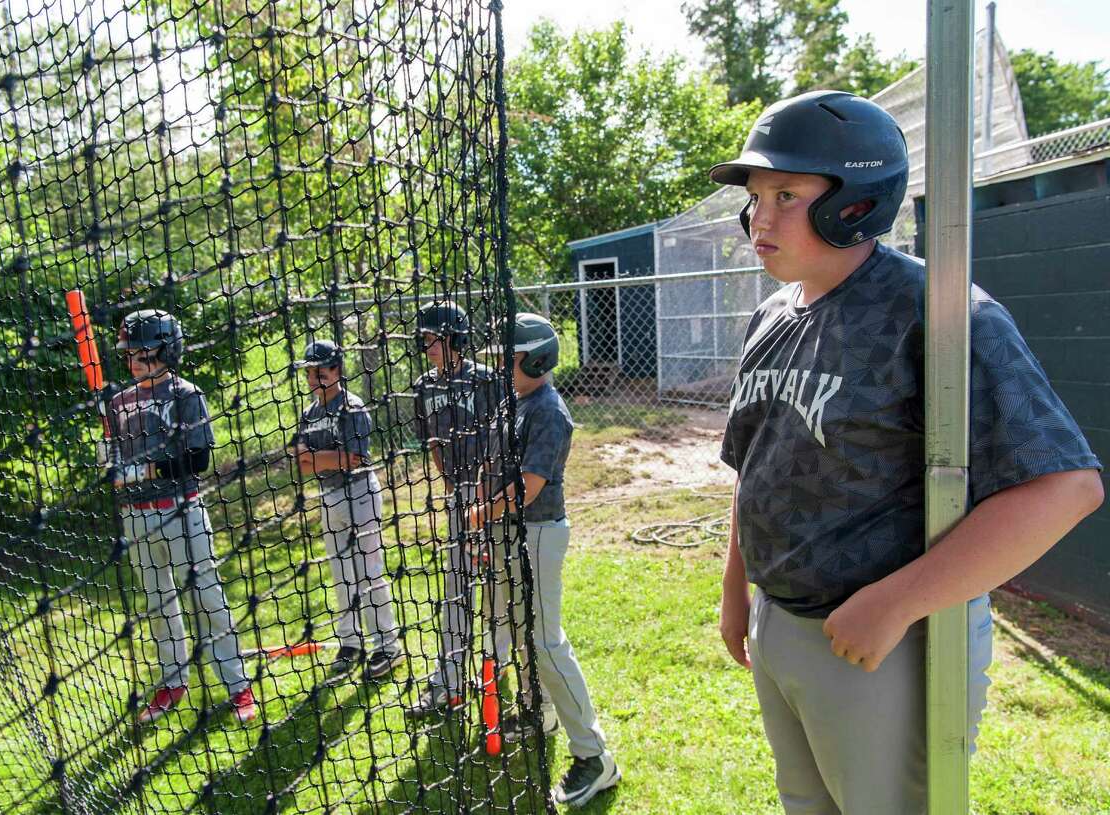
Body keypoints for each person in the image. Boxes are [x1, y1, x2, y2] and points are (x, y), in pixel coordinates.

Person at [712, 90, 1103, 814]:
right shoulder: (772, 312)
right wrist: (739, 589)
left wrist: (896, 603)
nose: (758, 219)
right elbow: (754, 462)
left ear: (856, 202)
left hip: (886, 644)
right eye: (756, 196)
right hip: (782, 623)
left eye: (786, 195)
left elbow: (1066, 487)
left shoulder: (941, 309)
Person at [469, 313, 621, 809]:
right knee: (516, 628)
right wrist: (484, 519)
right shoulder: (517, 403)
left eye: (509, 359)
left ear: (536, 359)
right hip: (513, 532)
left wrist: (480, 514)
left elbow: (529, 488)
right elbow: (496, 470)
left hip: (538, 533)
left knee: (545, 642)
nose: (501, 368)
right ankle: (541, 710)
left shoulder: (548, 410)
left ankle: (595, 756)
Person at [108, 309, 255, 723]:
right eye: (129, 352)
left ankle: (238, 686)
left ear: (166, 351)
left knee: (207, 598)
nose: (134, 360)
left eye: (143, 351)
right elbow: (115, 461)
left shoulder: (186, 394)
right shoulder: (118, 401)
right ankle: (172, 683)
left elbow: (199, 458)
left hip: (180, 509)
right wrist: (113, 465)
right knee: (157, 604)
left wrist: (147, 469)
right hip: (135, 516)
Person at [406, 301, 511, 719]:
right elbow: (431, 441)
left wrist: (480, 498)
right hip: (460, 495)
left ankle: (499, 661)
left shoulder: (486, 380)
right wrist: (453, 490)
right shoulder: (423, 386)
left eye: (432, 338)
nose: (427, 345)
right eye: (425, 339)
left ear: (454, 339)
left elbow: (499, 441)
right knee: (457, 584)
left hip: (492, 495)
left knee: (499, 583)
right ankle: (448, 680)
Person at [289, 339, 403, 684]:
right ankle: (350, 642)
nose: (312, 379)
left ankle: (388, 645)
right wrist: (319, 459)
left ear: (337, 371)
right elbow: (299, 459)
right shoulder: (309, 412)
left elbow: (354, 458)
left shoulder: (351, 407)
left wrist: (316, 458)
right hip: (329, 496)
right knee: (342, 574)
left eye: (319, 372)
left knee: (370, 572)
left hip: (359, 493)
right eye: (309, 373)